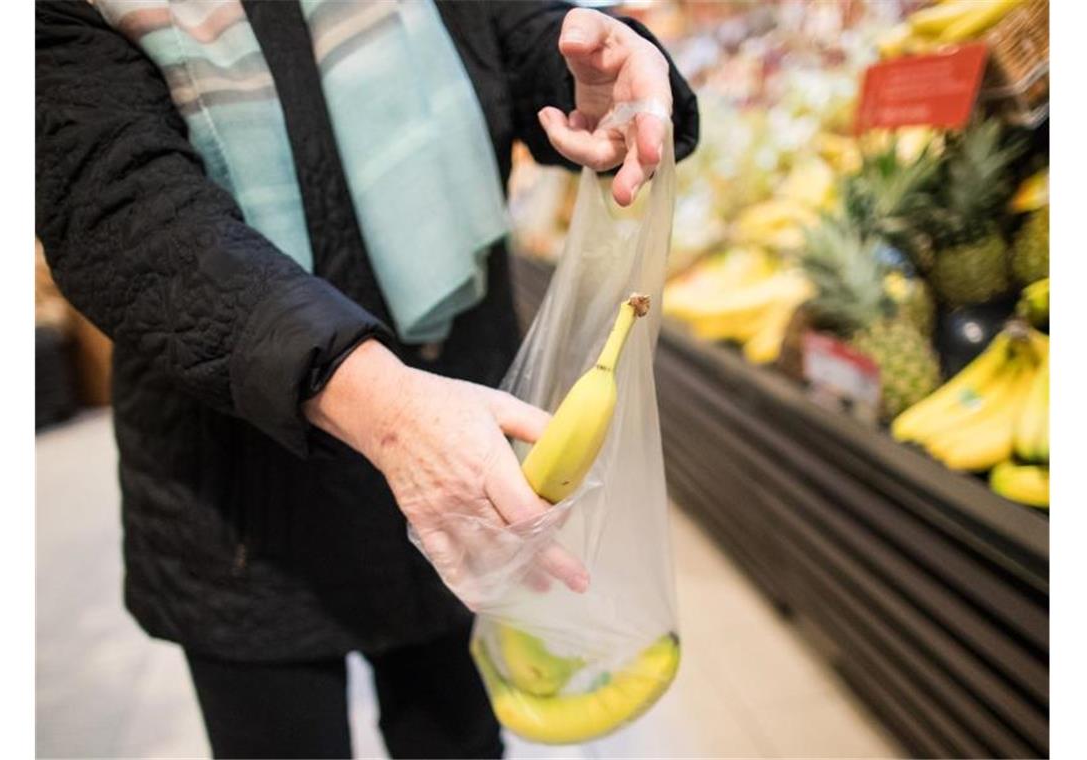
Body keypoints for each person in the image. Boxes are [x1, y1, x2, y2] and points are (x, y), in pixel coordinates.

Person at [36, 1, 698, 757]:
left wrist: (605, 70)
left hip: (461, 440)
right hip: (243, 497)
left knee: (455, 734)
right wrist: (382, 409)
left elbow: (518, 29)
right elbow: (112, 200)